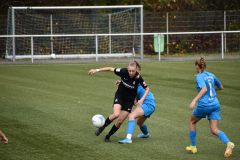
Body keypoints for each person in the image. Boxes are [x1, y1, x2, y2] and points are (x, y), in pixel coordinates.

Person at [88, 60, 150, 142]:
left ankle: (108, 135)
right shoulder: (123, 71)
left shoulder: (138, 78)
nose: (131, 72)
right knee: (116, 114)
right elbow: (110, 69)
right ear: (127, 69)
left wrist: (141, 99)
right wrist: (97, 70)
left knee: (120, 121)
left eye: (133, 71)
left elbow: (147, 89)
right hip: (120, 96)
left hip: (129, 101)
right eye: (129, 70)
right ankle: (102, 127)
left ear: (136, 70)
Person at [186, 57, 234, 158]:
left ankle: (193, 147)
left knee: (192, 121)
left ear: (196, 66)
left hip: (205, 105)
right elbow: (221, 87)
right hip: (215, 104)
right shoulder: (211, 75)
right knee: (214, 129)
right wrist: (211, 90)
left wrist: (194, 100)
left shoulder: (199, 76)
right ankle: (229, 143)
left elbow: (204, 89)